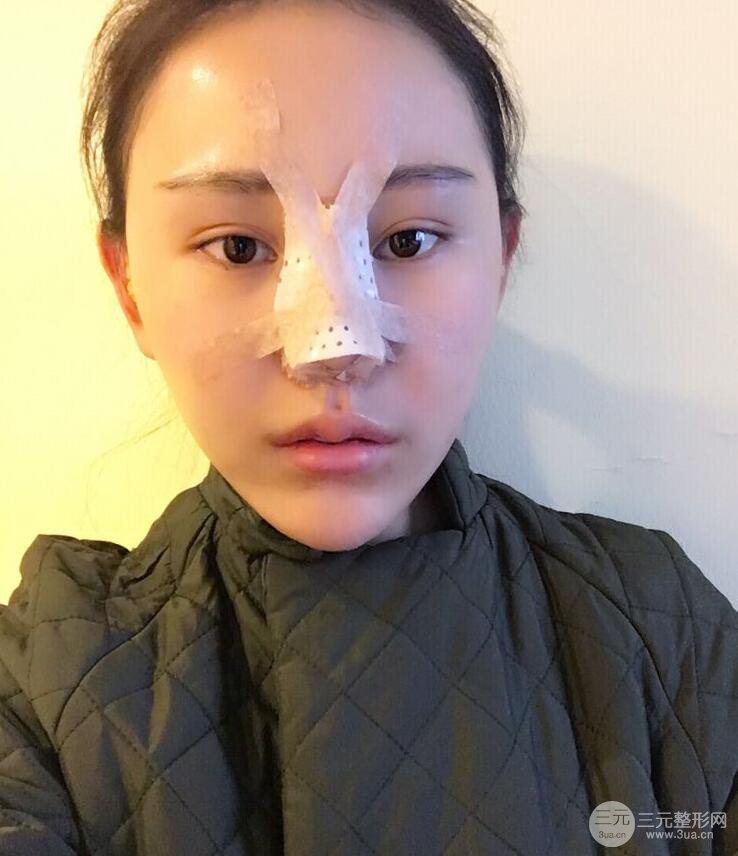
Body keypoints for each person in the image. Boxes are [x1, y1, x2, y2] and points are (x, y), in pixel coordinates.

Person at [1, 1, 736, 854]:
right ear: (128, 286)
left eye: (408, 240)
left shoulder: (665, 636)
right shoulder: (43, 691)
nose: (333, 348)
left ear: (501, 259)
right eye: (238, 247)